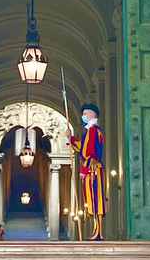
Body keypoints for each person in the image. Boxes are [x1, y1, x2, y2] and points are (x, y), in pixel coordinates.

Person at [66, 103, 105, 240]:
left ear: (92, 115)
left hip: (93, 169)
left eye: (85, 114)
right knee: (91, 201)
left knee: (96, 200)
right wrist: (70, 138)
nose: (83, 116)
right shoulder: (89, 131)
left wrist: (84, 169)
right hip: (90, 169)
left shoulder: (93, 130)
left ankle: (98, 232)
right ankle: (96, 230)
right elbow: (82, 147)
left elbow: (91, 153)